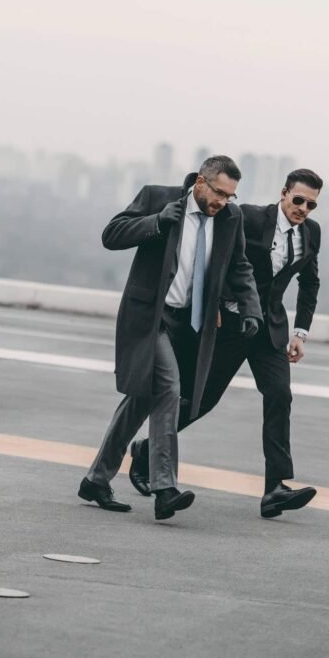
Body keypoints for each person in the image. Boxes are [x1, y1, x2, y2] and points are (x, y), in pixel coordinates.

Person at [128, 168, 323, 519]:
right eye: (298, 200)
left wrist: (301, 332)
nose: (304, 209)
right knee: (202, 399)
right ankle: (146, 450)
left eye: (311, 204)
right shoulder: (246, 216)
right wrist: (213, 304)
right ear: (283, 193)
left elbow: (310, 283)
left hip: (269, 331)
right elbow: (214, 258)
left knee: (280, 396)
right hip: (230, 325)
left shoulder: (311, 233)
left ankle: (275, 488)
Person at [79, 156, 261, 520]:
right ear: (200, 183)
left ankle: (96, 480)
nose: (224, 202)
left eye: (231, 196)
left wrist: (251, 307)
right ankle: (165, 487)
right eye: (220, 193)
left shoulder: (230, 219)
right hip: (151, 317)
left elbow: (240, 267)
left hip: (189, 325)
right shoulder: (158, 198)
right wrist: (157, 222)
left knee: (140, 400)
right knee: (169, 391)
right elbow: (111, 235)